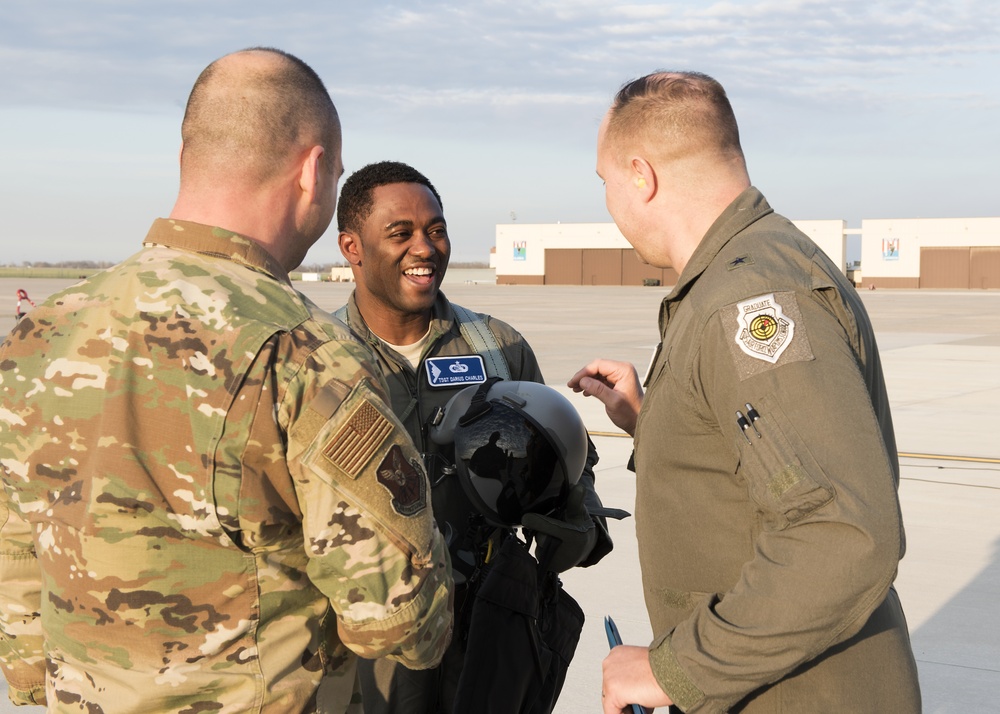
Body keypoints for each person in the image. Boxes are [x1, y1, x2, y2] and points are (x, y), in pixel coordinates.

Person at [0, 49, 452, 713]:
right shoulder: (303, 352)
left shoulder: (39, 334)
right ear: (315, 170)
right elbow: (397, 619)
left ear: (189, 157)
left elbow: (18, 577)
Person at [569, 71, 921, 713]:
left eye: (607, 182)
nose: (611, 203)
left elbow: (844, 533)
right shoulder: (759, 262)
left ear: (641, 176)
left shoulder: (745, 301)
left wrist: (673, 672)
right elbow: (767, 466)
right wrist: (655, 423)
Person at [335, 161, 615, 713]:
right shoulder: (319, 361)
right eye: (401, 234)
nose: (425, 247)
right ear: (352, 247)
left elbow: (571, 476)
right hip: (364, 645)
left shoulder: (496, 350)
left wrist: (573, 528)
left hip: (486, 634)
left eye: (436, 230)